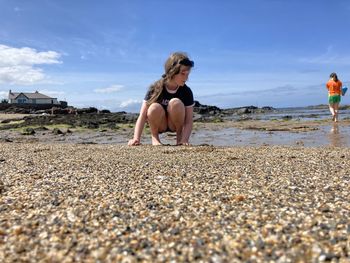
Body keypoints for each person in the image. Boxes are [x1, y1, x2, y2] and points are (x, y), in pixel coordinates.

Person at [128, 52, 195, 146]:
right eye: (183, 74)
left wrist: (185, 139)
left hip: (174, 125)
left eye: (188, 74)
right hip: (160, 124)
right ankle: (155, 138)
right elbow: (142, 115)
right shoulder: (155, 88)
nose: (186, 78)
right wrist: (136, 138)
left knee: (175, 102)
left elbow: (188, 120)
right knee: (154, 107)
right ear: (172, 72)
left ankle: (180, 138)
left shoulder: (186, 91)